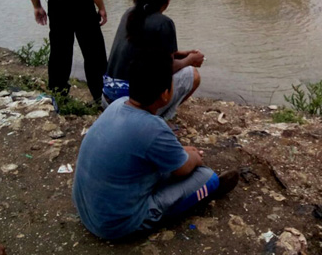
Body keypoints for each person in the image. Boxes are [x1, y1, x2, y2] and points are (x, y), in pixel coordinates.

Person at [73, 49, 239, 240]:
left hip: (87, 211)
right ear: (166, 94)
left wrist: (183, 154)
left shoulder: (118, 104)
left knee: (159, 162)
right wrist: (194, 157)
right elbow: (184, 169)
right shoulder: (153, 127)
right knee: (207, 177)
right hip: (117, 225)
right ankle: (202, 195)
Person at [103, 0, 203, 120]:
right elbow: (164, 70)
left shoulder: (129, 14)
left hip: (108, 98)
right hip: (133, 102)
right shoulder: (164, 23)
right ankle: (160, 119)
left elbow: (142, 54)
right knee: (192, 74)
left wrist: (182, 54)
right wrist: (190, 60)